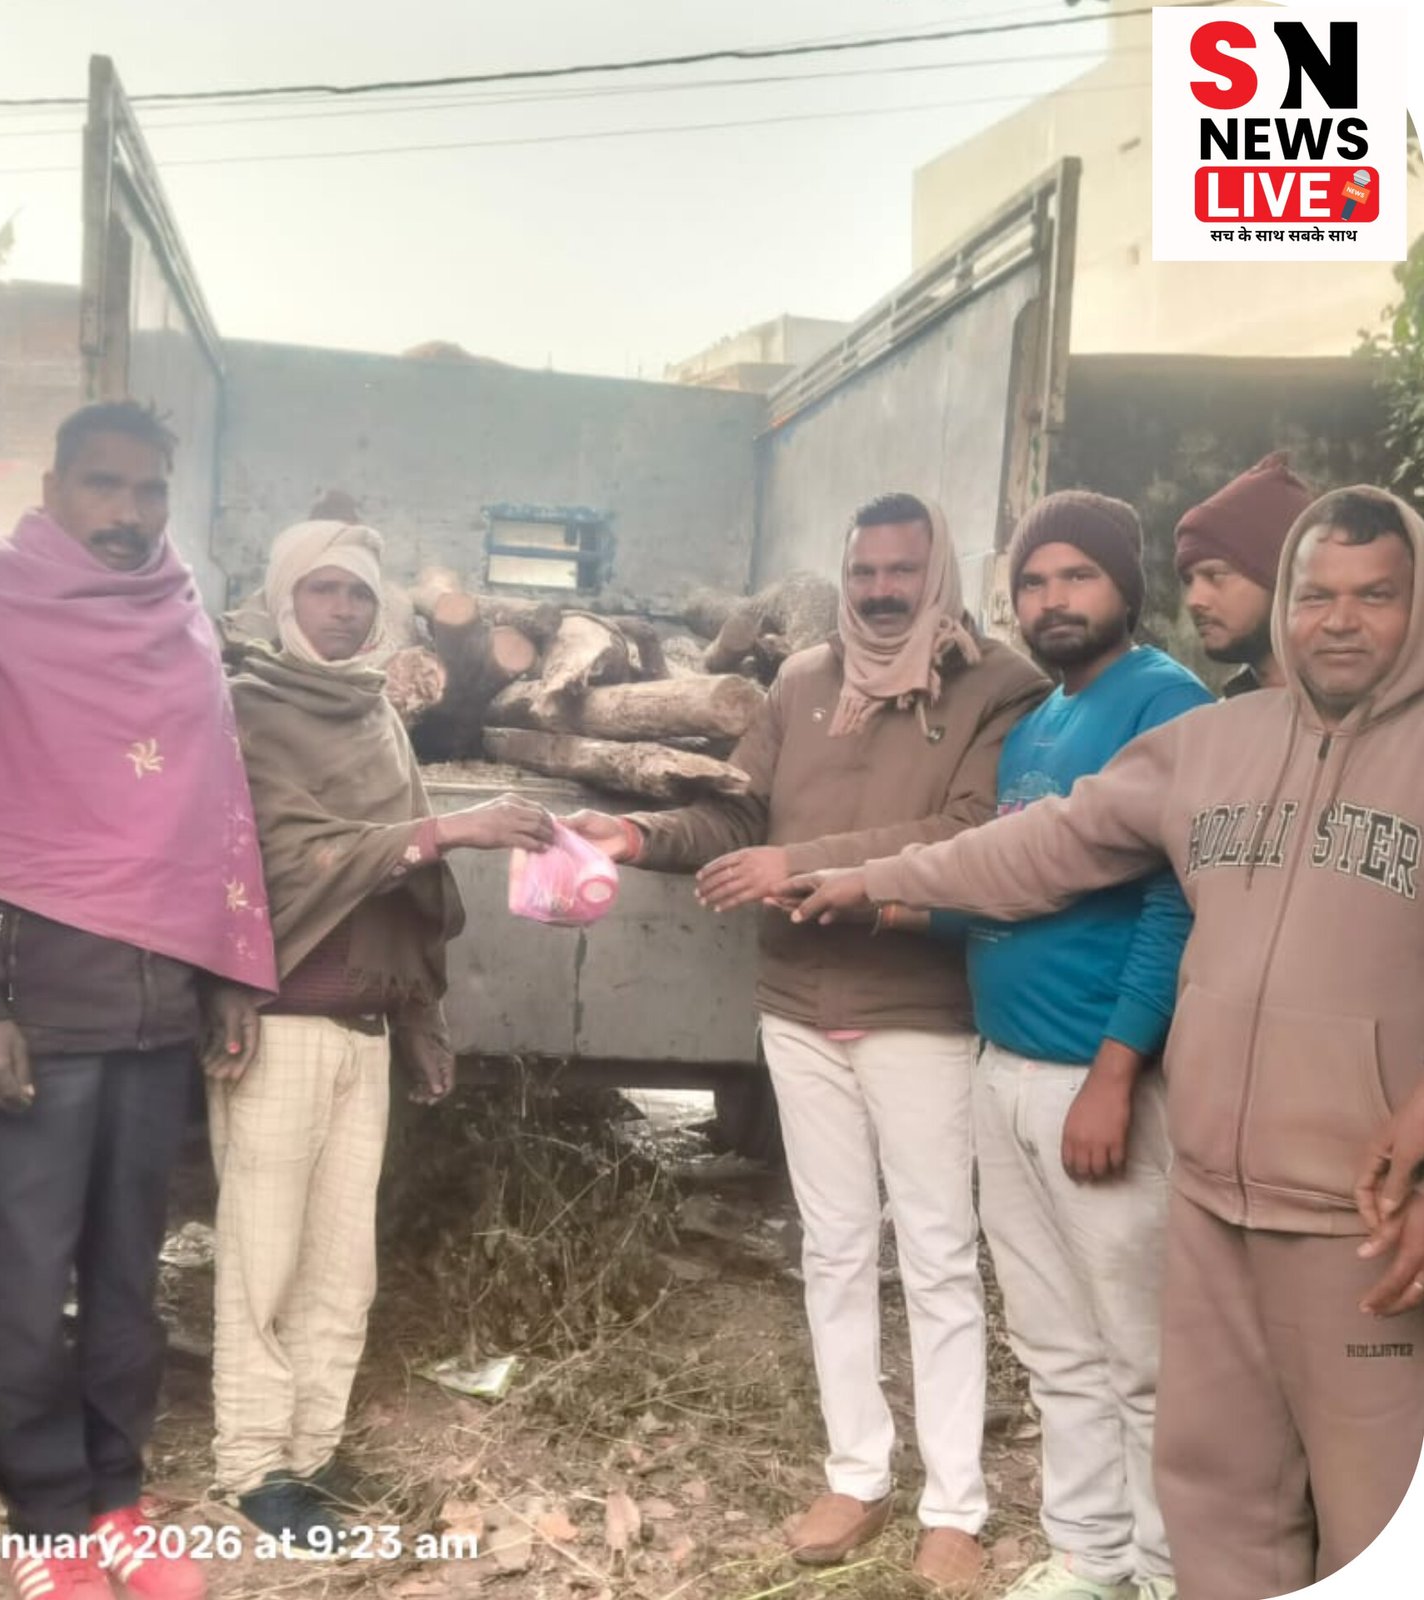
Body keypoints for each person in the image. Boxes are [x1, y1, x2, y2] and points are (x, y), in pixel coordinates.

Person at [783, 485, 1424, 1600]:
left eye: (1374, 596)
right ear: (1286, 603)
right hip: (1211, 1194)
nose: (1338, 621)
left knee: (1372, 1501)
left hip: (1361, 1209)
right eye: (1314, 594)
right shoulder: (1211, 745)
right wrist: (876, 876)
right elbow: (1042, 845)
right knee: (1218, 1487)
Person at [567, 493, 1048, 1590]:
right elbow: (741, 815)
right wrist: (638, 833)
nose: (879, 591)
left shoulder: (995, 685)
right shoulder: (801, 680)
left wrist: (803, 862)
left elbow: (968, 833)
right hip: (796, 1002)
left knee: (936, 1253)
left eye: (901, 570)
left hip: (919, 1007)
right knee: (831, 1246)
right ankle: (856, 1473)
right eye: (863, 571)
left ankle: (955, 1504)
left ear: (937, 573)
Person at [0, 400, 277, 1600]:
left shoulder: (183, 620)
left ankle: (119, 1499)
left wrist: (223, 973)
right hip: (30, 1017)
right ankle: (48, 1521)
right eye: (103, 485)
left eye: (148, 489)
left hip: (154, 1015)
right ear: (53, 488)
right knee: (23, 1280)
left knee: (130, 1274)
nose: (128, 512)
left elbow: (214, 805)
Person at [213, 519, 552, 1549]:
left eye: (359, 593)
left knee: (340, 1260)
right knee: (261, 1259)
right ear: (284, 599)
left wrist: (420, 1016)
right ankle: (251, 1464)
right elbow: (283, 855)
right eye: (321, 589)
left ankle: (313, 1448)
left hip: (361, 1024)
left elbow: (403, 886)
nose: (342, 609)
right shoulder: (247, 710)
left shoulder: (375, 717)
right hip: (275, 1022)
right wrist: (449, 827)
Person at [926, 493, 1209, 1600]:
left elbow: (1176, 902)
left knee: (1144, 1355)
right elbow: (1011, 877)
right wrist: (870, 895)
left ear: (1125, 588)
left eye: (1077, 576)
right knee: (1052, 1342)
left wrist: (1117, 1069)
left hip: (1097, 1079)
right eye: (1034, 582)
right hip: (1006, 1068)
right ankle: (1091, 1554)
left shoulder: (1164, 703)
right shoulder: (1041, 718)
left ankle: (1170, 1568)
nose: (1053, 600)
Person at [1175, 451, 1313, 696]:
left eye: (1215, 576)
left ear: (1283, 577)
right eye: (1189, 580)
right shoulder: (1224, 714)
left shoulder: (1372, 710)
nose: (1194, 600)